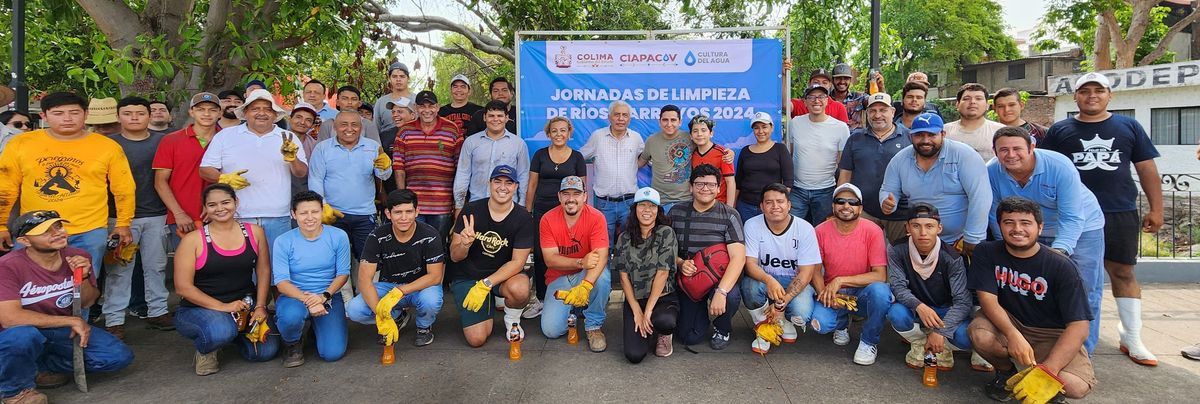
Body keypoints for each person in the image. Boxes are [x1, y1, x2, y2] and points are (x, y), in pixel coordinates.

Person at [1039, 72, 1164, 366]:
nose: (1092, 95)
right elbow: (1046, 168)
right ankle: (1062, 335)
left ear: (1110, 96)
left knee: (1122, 271)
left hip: (1117, 209)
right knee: (1068, 276)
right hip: (1071, 214)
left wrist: (1156, 209)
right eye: (1085, 91)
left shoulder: (1128, 126)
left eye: (1098, 90)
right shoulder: (1060, 130)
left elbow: (1147, 169)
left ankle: (1131, 335)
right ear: (1076, 97)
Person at [989, 126, 1107, 358]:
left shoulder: (1059, 165)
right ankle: (1035, 346)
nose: (1011, 155)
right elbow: (995, 215)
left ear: (1032, 147)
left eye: (1017, 149)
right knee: (1031, 289)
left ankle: (1083, 354)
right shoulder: (992, 171)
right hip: (1028, 230)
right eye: (1003, 150)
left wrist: (1058, 254)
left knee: (1084, 290)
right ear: (995, 152)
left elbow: (1072, 217)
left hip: (1081, 228)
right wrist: (1008, 245)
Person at [968, 197, 1096, 402]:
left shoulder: (1061, 266)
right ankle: (1005, 373)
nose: (1017, 229)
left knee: (1075, 386)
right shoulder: (987, 252)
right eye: (1009, 222)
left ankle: (1044, 383)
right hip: (1009, 321)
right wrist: (1013, 334)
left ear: (1040, 227)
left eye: (1025, 223)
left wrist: (1048, 373)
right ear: (999, 226)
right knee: (980, 334)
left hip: (1050, 332)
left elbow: (1079, 326)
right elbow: (987, 300)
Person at [0, 211, 134, 402]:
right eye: (45, 231)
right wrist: (70, 320)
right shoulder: (7, 266)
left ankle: (39, 365)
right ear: (25, 240)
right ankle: (16, 392)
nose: (57, 233)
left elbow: (88, 301)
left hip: (58, 330)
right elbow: (10, 318)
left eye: (58, 226)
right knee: (22, 336)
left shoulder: (77, 255)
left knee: (118, 356)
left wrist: (84, 276)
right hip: (16, 332)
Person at [0, 92, 135, 275]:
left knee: (82, 286)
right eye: (58, 113)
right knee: (31, 285)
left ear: (86, 114)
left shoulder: (107, 146)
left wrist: (123, 224)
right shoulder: (21, 143)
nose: (67, 118)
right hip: (35, 230)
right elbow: (6, 187)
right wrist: (1, 226)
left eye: (74, 112)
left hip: (89, 230)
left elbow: (124, 188)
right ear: (44, 116)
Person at [172, 184, 279, 375]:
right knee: (221, 331)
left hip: (244, 306)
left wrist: (261, 306)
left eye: (226, 202)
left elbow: (263, 270)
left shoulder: (254, 232)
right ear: (205, 208)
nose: (220, 208)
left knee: (265, 352)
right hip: (199, 308)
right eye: (212, 205)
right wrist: (223, 307)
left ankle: (235, 333)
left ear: (236, 202)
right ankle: (207, 349)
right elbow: (182, 288)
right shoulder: (193, 240)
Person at [102, 96, 173, 338]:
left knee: (156, 266)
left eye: (140, 113)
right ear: (118, 116)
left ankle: (158, 311)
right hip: (118, 218)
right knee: (119, 270)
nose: (134, 117)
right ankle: (114, 319)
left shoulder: (163, 141)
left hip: (156, 213)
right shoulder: (108, 144)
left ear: (149, 116)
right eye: (128, 113)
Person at [200, 89, 309, 244]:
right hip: (237, 214)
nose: (262, 113)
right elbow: (204, 170)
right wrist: (222, 177)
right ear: (245, 113)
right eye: (255, 109)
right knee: (241, 265)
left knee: (274, 265)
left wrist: (293, 159)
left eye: (267, 109)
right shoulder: (225, 136)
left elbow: (301, 172)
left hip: (278, 216)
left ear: (275, 114)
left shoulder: (288, 137)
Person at [880, 112, 991, 257]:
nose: (926, 140)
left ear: (943, 134)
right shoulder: (900, 159)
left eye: (932, 135)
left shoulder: (964, 155)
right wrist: (887, 202)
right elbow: (888, 189)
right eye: (919, 135)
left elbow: (981, 197)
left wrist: (974, 237)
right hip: (919, 240)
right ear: (910, 136)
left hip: (959, 241)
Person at [449, 165, 535, 347]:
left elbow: (518, 263)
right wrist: (464, 244)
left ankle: (512, 321)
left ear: (516, 187)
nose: (502, 187)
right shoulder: (470, 210)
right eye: (497, 181)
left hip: (500, 277)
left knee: (520, 288)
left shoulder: (523, 217)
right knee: (477, 339)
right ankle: (488, 302)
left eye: (508, 183)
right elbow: (455, 256)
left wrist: (486, 284)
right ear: (489, 184)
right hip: (468, 277)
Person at [346, 189, 445, 347]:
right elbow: (364, 280)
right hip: (388, 286)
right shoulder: (376, 236)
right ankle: (396, 317)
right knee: (354, 310)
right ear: (388, 213)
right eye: (398, 212)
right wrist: (381, 314)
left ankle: (424, 327)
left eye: (409, 211)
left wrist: (402, 290)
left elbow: (435, 276)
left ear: (417, 212)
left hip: (420, 286)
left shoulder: (430, 234)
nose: (404, 218)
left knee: (431, 300)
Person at [811, 183, 891, 365]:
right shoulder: (820, 231)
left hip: (862, 294)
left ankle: (868, 341)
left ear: (860, 208)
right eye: (840, 201)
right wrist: (824, 293)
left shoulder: (873, 231)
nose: (846, 206)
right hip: (834, 293)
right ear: (833, 206)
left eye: (852, 202)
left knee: (881, 292)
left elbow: (880, 275)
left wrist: (841, 280)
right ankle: (840, 324)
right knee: (820, 325)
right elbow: (815, 269)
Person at [886, 203, 972, 369]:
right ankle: (919, 342)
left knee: (966, 337)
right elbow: (898, 286)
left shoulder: (952, 257)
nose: (923, 233)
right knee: (895, 313)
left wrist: (941, 331)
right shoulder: (897, 249)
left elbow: (962, 301)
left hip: (945, 311)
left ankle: (943, 345)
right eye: (916, 226)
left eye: (929, 226)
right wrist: (920, 306)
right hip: (916, 309)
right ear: (907, 228)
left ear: (939, 228)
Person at [669, 164, 745, 350]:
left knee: (732, 295)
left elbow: (738, 258)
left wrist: (721, 292)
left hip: (717, 279)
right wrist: (679, 263)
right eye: (700, 184)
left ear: (719, 188)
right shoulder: (676, 212)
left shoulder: (730, 215)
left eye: (711, 185)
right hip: (688, 280)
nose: (705, 188)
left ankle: (722, 328)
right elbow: (665, 249)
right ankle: (698, 312)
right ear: (691, 187)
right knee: (689, 337)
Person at [740, 183, 821, 355]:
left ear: (789, 205)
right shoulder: (752, 225)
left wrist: (783, 303)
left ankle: (782, 318)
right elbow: (749, 264)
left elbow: (807, 272)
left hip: (794, 281)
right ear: (762, 207)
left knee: (801, 312)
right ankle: (764, 327)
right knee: (749, 286)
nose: (775, 206)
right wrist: (769, 280)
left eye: (780, 201)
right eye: (769, 202)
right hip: (765, 279)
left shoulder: (805, 228)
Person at [272, 191, 351, 366]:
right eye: (303, 213)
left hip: (327, 296)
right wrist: (309, 300)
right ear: (294, 214)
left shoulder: (338, 236)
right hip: (294, 296)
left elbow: (343, 273)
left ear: (322, 211)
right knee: (291, 317)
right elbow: (281, 282)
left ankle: (316, 328)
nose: (310, 218)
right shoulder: (283, 241)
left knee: (333, 353)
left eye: (314, 212)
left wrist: (324, 297)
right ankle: (292, 342)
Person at [537, 176, 610, 351]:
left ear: (585, 196)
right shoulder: (547, 219)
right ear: (559, 197)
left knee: (603, 277)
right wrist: (580, 262)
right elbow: (550, 260)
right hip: (558, 278)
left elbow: (601, 256)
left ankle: (593, 325)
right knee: (551, 330)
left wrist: (585, 286)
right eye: (566, 194)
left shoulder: (596, 217)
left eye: (576, 193)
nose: (571, 199)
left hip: (584, 276)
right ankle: (575, 310)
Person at [308, 111, 392, 261]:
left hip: (365, 214)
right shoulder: (322, 148)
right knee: (334, 259)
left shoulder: (373, 146)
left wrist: (386, 167)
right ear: (335, 127)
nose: (349, 129)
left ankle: (363, 285)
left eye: (354, 125)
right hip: (333, 214)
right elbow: (315, 180)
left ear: (361, 127)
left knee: (368, 259)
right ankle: (342, 286)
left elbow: (383, 176)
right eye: (343, 124)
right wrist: (322, 206)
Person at [614, 187, 679, 363]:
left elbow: (662, 273)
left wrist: (647, 311)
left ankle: (663, 334)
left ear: (658, 210)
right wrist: (637, 310)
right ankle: (646, 329)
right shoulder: (624, 238)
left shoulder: (666, 233)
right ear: (634, 209)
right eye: (642, 205)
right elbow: (623, 276)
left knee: (665, 321)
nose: (647, 210)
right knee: (634, 355)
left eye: (652, 206)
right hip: (635, 299)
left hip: (661, 299)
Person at [526, 117, 586, 304]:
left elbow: (583, 187)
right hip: (542, 210)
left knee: (569, 251)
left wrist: (582, 214)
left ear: (569, 133)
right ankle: (543, 298)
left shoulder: (577, 157)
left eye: (562, 130)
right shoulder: (539, 155)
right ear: (548, 134)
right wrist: (528, 212)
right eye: (554, 131)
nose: (558, 134)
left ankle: (572, 293)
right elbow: (532, 184)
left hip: (568, 212)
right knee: (542, 253)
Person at [838, 93, 911, 242]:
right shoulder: (855, 138)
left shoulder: (909, 137)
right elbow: (845, 175)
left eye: (883, 110)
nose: (877, 115)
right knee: (862, 255)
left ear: (892, 112)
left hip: (900, 213)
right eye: (872, 111)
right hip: (864, 211)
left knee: (901, 256)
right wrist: (840, 203)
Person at [392, 94, 462, 239]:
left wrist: (458, 202)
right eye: (422, 106)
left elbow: (460, 167)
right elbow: (399, 167)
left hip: (442, 203)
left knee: (438, 246)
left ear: (437, 107)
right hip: (414, 204)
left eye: (431, 106)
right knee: (413, 245)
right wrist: (404, 199)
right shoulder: (405, 131)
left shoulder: (452, 129)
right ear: (416, 109)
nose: (427, 110)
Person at [154, 93, 221, 240]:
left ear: (220, 113)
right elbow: (160, 181)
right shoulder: (171, 140)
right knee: (185, 262)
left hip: (221, 215)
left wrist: (218, 209)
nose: (206, 114)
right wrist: (178, 213)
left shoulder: (228, 139)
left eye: (213, 110)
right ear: (191, 111)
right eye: (200, 109)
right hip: (184, 218)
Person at [788, 83, 850, 226]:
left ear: (827, 100)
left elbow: (843, 164)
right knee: (791, 228)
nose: (817, 100)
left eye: (821, 96)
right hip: (797, 190)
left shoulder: (840, 128)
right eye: (812, 97)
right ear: (805, 101)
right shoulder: (795, 123)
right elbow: (789, 153)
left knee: (822, 231)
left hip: (826, 191)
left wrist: (840, 193)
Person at [583, 100, 645, 243]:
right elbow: (580, 157)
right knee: (603, 244)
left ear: (629, 118)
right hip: (604, 203)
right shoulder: (598, 137)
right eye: (617, 115)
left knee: (629, 244)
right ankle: (606, 267)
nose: (621, 119)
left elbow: (646, 158)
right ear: (609, 117)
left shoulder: (636, 138)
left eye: (625, 115)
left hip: (629, 202)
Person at [454, 100, 529, 214]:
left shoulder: (518, 144)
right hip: (477, 204)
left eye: (500, 116)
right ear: (484, 117)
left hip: (508, 206)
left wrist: (522, 205)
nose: (495, 119)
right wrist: (459, 206)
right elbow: (463, 174)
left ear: (507, 118)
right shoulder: (471, 142)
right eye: (491, 116)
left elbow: (523, 176)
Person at [735, 112, 793, 221]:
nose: (760, 131)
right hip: (746, 206)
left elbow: (788, 182)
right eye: (756, 128)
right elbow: (738, 182)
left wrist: (776, 204)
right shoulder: (745, 151)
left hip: (771, 207)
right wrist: (732, 206)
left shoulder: (780, 149)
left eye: (764, 127)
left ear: (772, 128)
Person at [640, 105, 693, 210]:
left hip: (686, 201)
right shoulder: (651, 140)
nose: (669, 124)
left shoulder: (690, 138)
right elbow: (640, 162)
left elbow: (707, 149)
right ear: (659, 122)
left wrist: (728, 153)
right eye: (665, 120)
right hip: (660, 202)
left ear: (680, 122)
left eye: (673, 120)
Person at [944, 83, 1006, 160]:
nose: (973, 102)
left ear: (987, 105)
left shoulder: (1001, 131)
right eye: (966, 98)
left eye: (978, 98)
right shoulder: (944, 131)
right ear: (957, 105)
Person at [688, 115, 736, 207]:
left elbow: (730, 182)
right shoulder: (692, 154)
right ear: (690, 135)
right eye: (695, 131)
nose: (699, 134)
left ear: (711, 133)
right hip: (699, 204)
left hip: (719, 204)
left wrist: (730, 208)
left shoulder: (723, 153)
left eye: (703, 130)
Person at [781, 65, 850, 123]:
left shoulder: (839, 107)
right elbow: (785, 105)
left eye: (824, 83)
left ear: (830, 85)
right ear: (809, 84)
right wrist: (784, 75)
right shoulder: (800, 104)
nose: (820, 85)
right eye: (816, 82)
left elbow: (843, 133)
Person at [373, 62, 414, 134]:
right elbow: (375, 129)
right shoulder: (381, 102)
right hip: (386, 142)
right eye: (394, 76)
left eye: (402, 76)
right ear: (389, 79)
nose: (398, 79)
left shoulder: (416, 100)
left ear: (408, 78)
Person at [830, 63, 869, 130]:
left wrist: (881, 88)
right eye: (838, 78)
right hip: (833, 138)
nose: (842, 81)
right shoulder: (826, 99)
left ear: (850, 80)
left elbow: (876, 103)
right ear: (832, 80)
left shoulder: (859, 97)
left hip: (856, 138)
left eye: (846, 78)